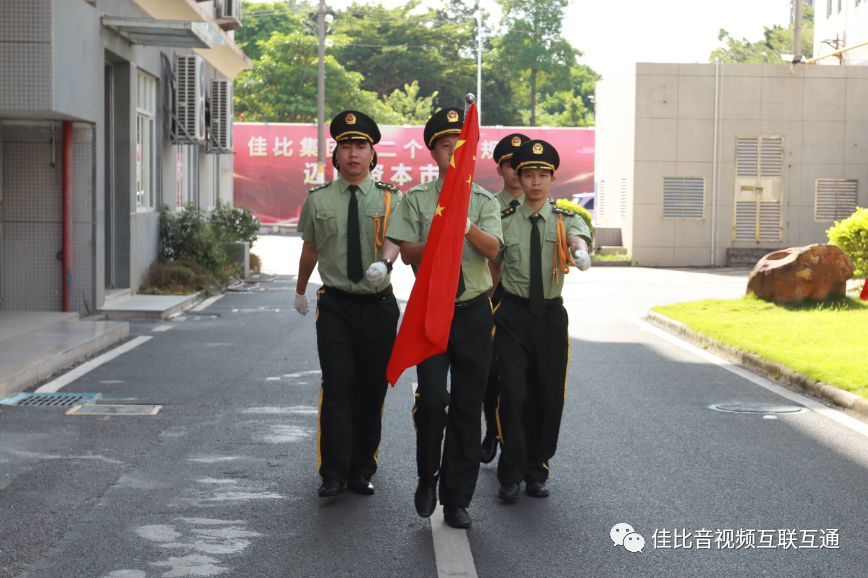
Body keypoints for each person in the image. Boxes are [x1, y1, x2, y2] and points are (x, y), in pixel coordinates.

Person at [386, 107, 502, 528]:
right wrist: (442, 228)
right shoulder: (415, 200)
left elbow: (492, 250)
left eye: (461, 146)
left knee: (469, 409)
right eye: (445, 146)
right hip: (432, 311)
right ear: (433, 152)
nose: (453, 152)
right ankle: (427, 475)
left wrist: (464, 224)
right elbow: (405, 253)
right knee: (433, 400)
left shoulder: (485, 201)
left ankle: (457, 499)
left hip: (473, 315)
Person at [294, 110, 402, 498]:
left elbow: (401, 239)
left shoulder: (393, 199)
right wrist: (301, 289)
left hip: (379, 304)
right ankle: (333, 472)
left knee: (372, 386)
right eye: (345, 146)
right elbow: (310, 248)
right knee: (337, 384)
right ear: (335, 154)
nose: (353, 153)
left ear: (373, 154)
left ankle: (362, 468)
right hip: (336, 306)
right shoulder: (317, 199)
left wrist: (385, 262)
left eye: (361, 146)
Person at [489, 139, 592, 501]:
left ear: (552, 178)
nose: (535, 181)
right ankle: (510, 471)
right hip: (512, 313)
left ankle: (537, 469)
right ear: (518, 176)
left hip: (549, 316)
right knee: (513, 392)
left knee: (548, 395)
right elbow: (492, 263)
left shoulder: (566, 218)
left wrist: (580, 253)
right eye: (528, 174)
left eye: (542, 175)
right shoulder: (501, 220)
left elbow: (578, 238)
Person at [481, 133, 530, 465]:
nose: (515, 171)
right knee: (491, 375)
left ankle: (520, 445)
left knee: (522, 383)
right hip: (490, 299)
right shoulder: (487, 206)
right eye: (509, 164)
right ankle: (492, 431)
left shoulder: (541, 208)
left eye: (521, 165)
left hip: (525, 304)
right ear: (499, 168)